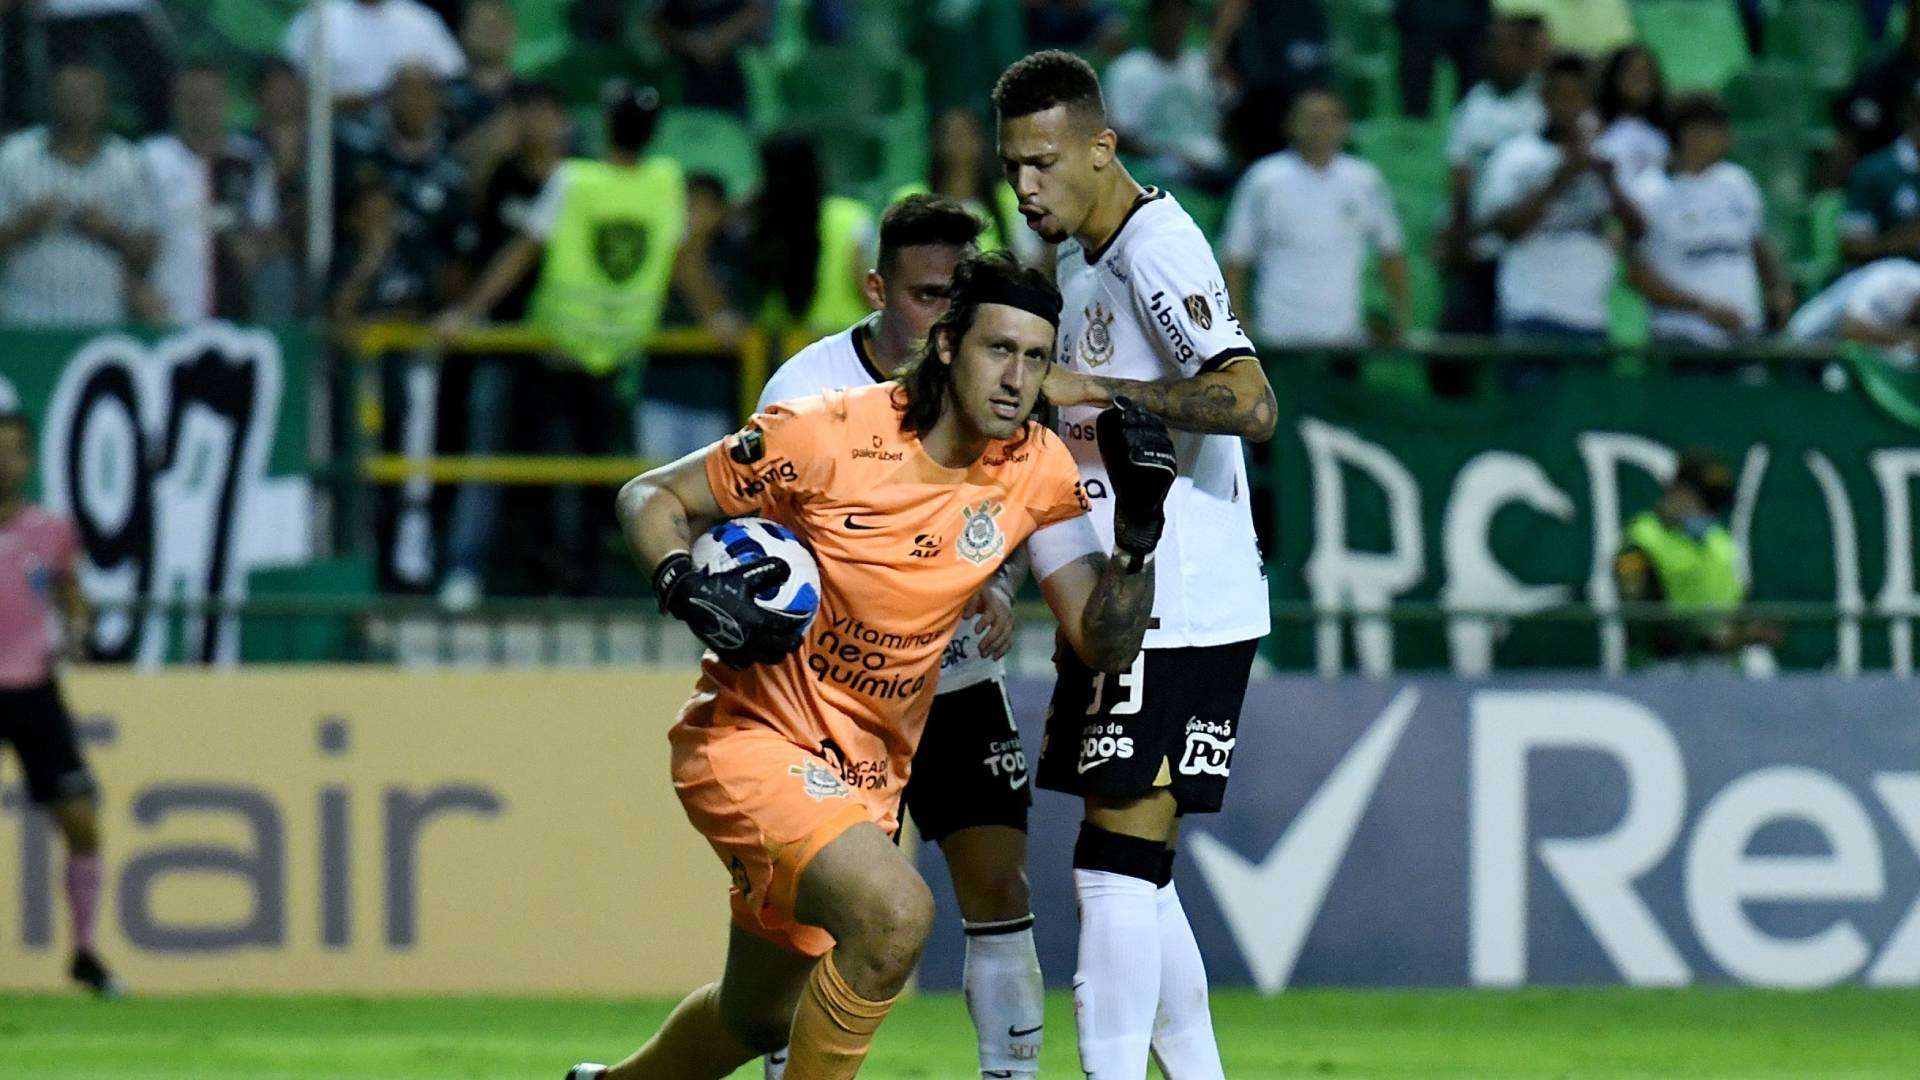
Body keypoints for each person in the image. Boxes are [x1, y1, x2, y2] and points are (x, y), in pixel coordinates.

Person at [567, 251, 1174, 1079]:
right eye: (1000, 350)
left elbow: (1104, 643)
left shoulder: (1034, 467)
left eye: (1036, 359)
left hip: (866, 774)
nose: (1017, 379)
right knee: (895, 916)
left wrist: (1138, 541)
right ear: (950, 343)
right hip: (752, 741)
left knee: (755, 1015)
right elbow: (649, 496)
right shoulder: (827, 433)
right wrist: (681, 581)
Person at [995, 49, 1276, 1080]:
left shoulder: (1157, 248)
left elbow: (1250, 402)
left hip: (1176, 594)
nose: (1026, 187)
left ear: (1102, 148)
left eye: (1043, 162)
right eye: (1012, 166)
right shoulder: (1083, 263)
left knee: (1113, 867)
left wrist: (1091, 384)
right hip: (1156, 589)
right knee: (1140, 868)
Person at [750, 196, 1046, 1078]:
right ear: (876, 289)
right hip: (831, 703)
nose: (943, 320)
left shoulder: (998, 381)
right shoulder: (806, 392)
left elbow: (1023, 506)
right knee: (821, 921)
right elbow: (758, 539)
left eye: (958, 299)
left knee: (1000, 889)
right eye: (924, 296)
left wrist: (1001, 580)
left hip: (954, 685)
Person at [436, 81, 685, 597]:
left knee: (585, 480)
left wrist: (467, 311)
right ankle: (550, 577)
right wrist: (469, 311)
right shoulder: (631, 181)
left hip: (588, 356)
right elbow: (522, 251)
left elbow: (521, 252)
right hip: (569, 356)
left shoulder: (608, 180)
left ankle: (577, 580)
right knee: (557, 476)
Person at [436, 81, 572, 612]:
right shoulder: (501, 178)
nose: (535, 122)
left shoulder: (581, 179)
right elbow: (469, 232)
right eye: (525, 111)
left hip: (562, 343)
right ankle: (464, 570)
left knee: (563, 465)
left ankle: (562, 578)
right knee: (485, 458)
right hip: (499, 337)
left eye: (544, 109)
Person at [0, 412, 119, 997]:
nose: (5, 462)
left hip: (35, 689)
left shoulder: (50, 531)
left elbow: (71, 594)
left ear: (27, 460)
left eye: (14, 451)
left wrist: (78, 625)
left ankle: (85, 951)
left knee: (80, 820)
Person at [1475, 52, 1644, 345]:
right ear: (1543, 98)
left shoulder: (1608, 157)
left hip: (1590, 317)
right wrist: (1559, 180)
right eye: (1559, 95)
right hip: (1529, 313)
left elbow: (1639, 230)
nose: (1568, 105)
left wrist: (1610, 185)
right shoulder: (1515, 155)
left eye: (1576, 96)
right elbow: (1504, 229)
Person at [1221, 86, 1410, 346]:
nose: (1322, 128)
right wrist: (1237, 327)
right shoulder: (1264, 179)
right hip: (1277, 335)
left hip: (1344, 338)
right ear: (1291, 125)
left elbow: (1391, 253)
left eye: (1331, 119)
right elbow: (1236, 259)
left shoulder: (1364, 180)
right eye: (1312, 119)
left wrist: (1400, 318)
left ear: (1344, 126)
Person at [1627, 94, 1795, 349]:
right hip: (1682, 339)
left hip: (1743, 337)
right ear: (1690, 134)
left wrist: (1778, 288)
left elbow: (1758, 243)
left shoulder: (1737, 182)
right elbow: (1638, 274)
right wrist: (1703, 309)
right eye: (1718, 129)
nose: (1728, 138)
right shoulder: (1648, 192)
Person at [0, 62, 159, 328]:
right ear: (51, 98)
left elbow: (148, 252)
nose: (78, 103)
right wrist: (28, 223)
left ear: (103, 101)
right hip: (25, 320)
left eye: (86, 94)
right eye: (69, 94)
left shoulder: (127, 162)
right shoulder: (13, 157)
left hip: (101, 322)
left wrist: (109, 231)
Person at [1614, 450, 1781, 668]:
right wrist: (1712, 641)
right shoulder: (1641, 542)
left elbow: (1738, 604)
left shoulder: (1721, 542)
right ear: (1678, 493)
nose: (1711, 512)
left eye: (1717, 504)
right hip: (1662, 672)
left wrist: (1751, 629)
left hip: (1724, 670)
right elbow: (1644, 623)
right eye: (1707, 501)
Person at [141, 63, 280, 324]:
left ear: (225, 102)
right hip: (165, 313)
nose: (202, 109)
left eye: (210, 99)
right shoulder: (150, 159)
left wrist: (253, 251)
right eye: (192, 100)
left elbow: (267, 234)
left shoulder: (249, 161)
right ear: (176, 103)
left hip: (233, 315)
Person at [1438, 13, 1547, 338]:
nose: (1498, 54)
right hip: (1478, 244)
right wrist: (1459, 232)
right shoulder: (1474, 104)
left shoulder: (1541, 104)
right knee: (1462, 333)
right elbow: (1460, 173)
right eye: (1493, 45)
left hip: (1526, 244)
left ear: (1528, 53)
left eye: (1508, 46)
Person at [745, 135, 874, 336]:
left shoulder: (757, 222)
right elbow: (864, 290)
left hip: (778, 347)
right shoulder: (850, 217)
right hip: (842, 343)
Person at [1104, 0, 1229, 186]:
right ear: (1154, 19)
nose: (1175, 22)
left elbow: (1223, 119)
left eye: (1182, 15)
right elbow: (1120, 132)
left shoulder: (1203, 67)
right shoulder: (1127, 69)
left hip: (1212, 165)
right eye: (1168, 15)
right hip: (1157, 167)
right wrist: (1171, 155)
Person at [283, 0, 466, 107]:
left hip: (400, 136)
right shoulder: (316, 19)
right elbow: (287, 87)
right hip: (334, 132)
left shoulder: (419, 20)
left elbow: (454, 78)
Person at [37, 0, 175, 136]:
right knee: (70, 92)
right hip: (64, 12)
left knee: (152, 84)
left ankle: (155, 142)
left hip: (128, 8)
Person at [1842, 82, 1920, 266]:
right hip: (1894, 277)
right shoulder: (1875, 171)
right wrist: (1902, 242)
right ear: (1911, 116)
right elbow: (1851, 246)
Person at [1786, 256, 1920, 363]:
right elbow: (1850, 328)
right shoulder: (1888, 278)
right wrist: (1908, 337)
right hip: (1803, 343)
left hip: (1843, 355)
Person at [650, 0, 768, 116]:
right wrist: (689, 43)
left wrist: (718, 40)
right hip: (686, 87)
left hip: (738, 84)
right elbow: (653, 23)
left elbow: (756, 12)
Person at [1396, 0, 1489, 118]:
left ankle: (1472, 117)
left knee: (1472, 85)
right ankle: (1415, 120)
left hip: (1466, 22)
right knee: (1416, 77)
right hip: (1421, 22)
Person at [1592, 44, 1669, 182]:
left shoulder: (1666, 130)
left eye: (1646, 73)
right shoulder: (1594, 125)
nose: (1640, 81)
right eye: (1632, 73)